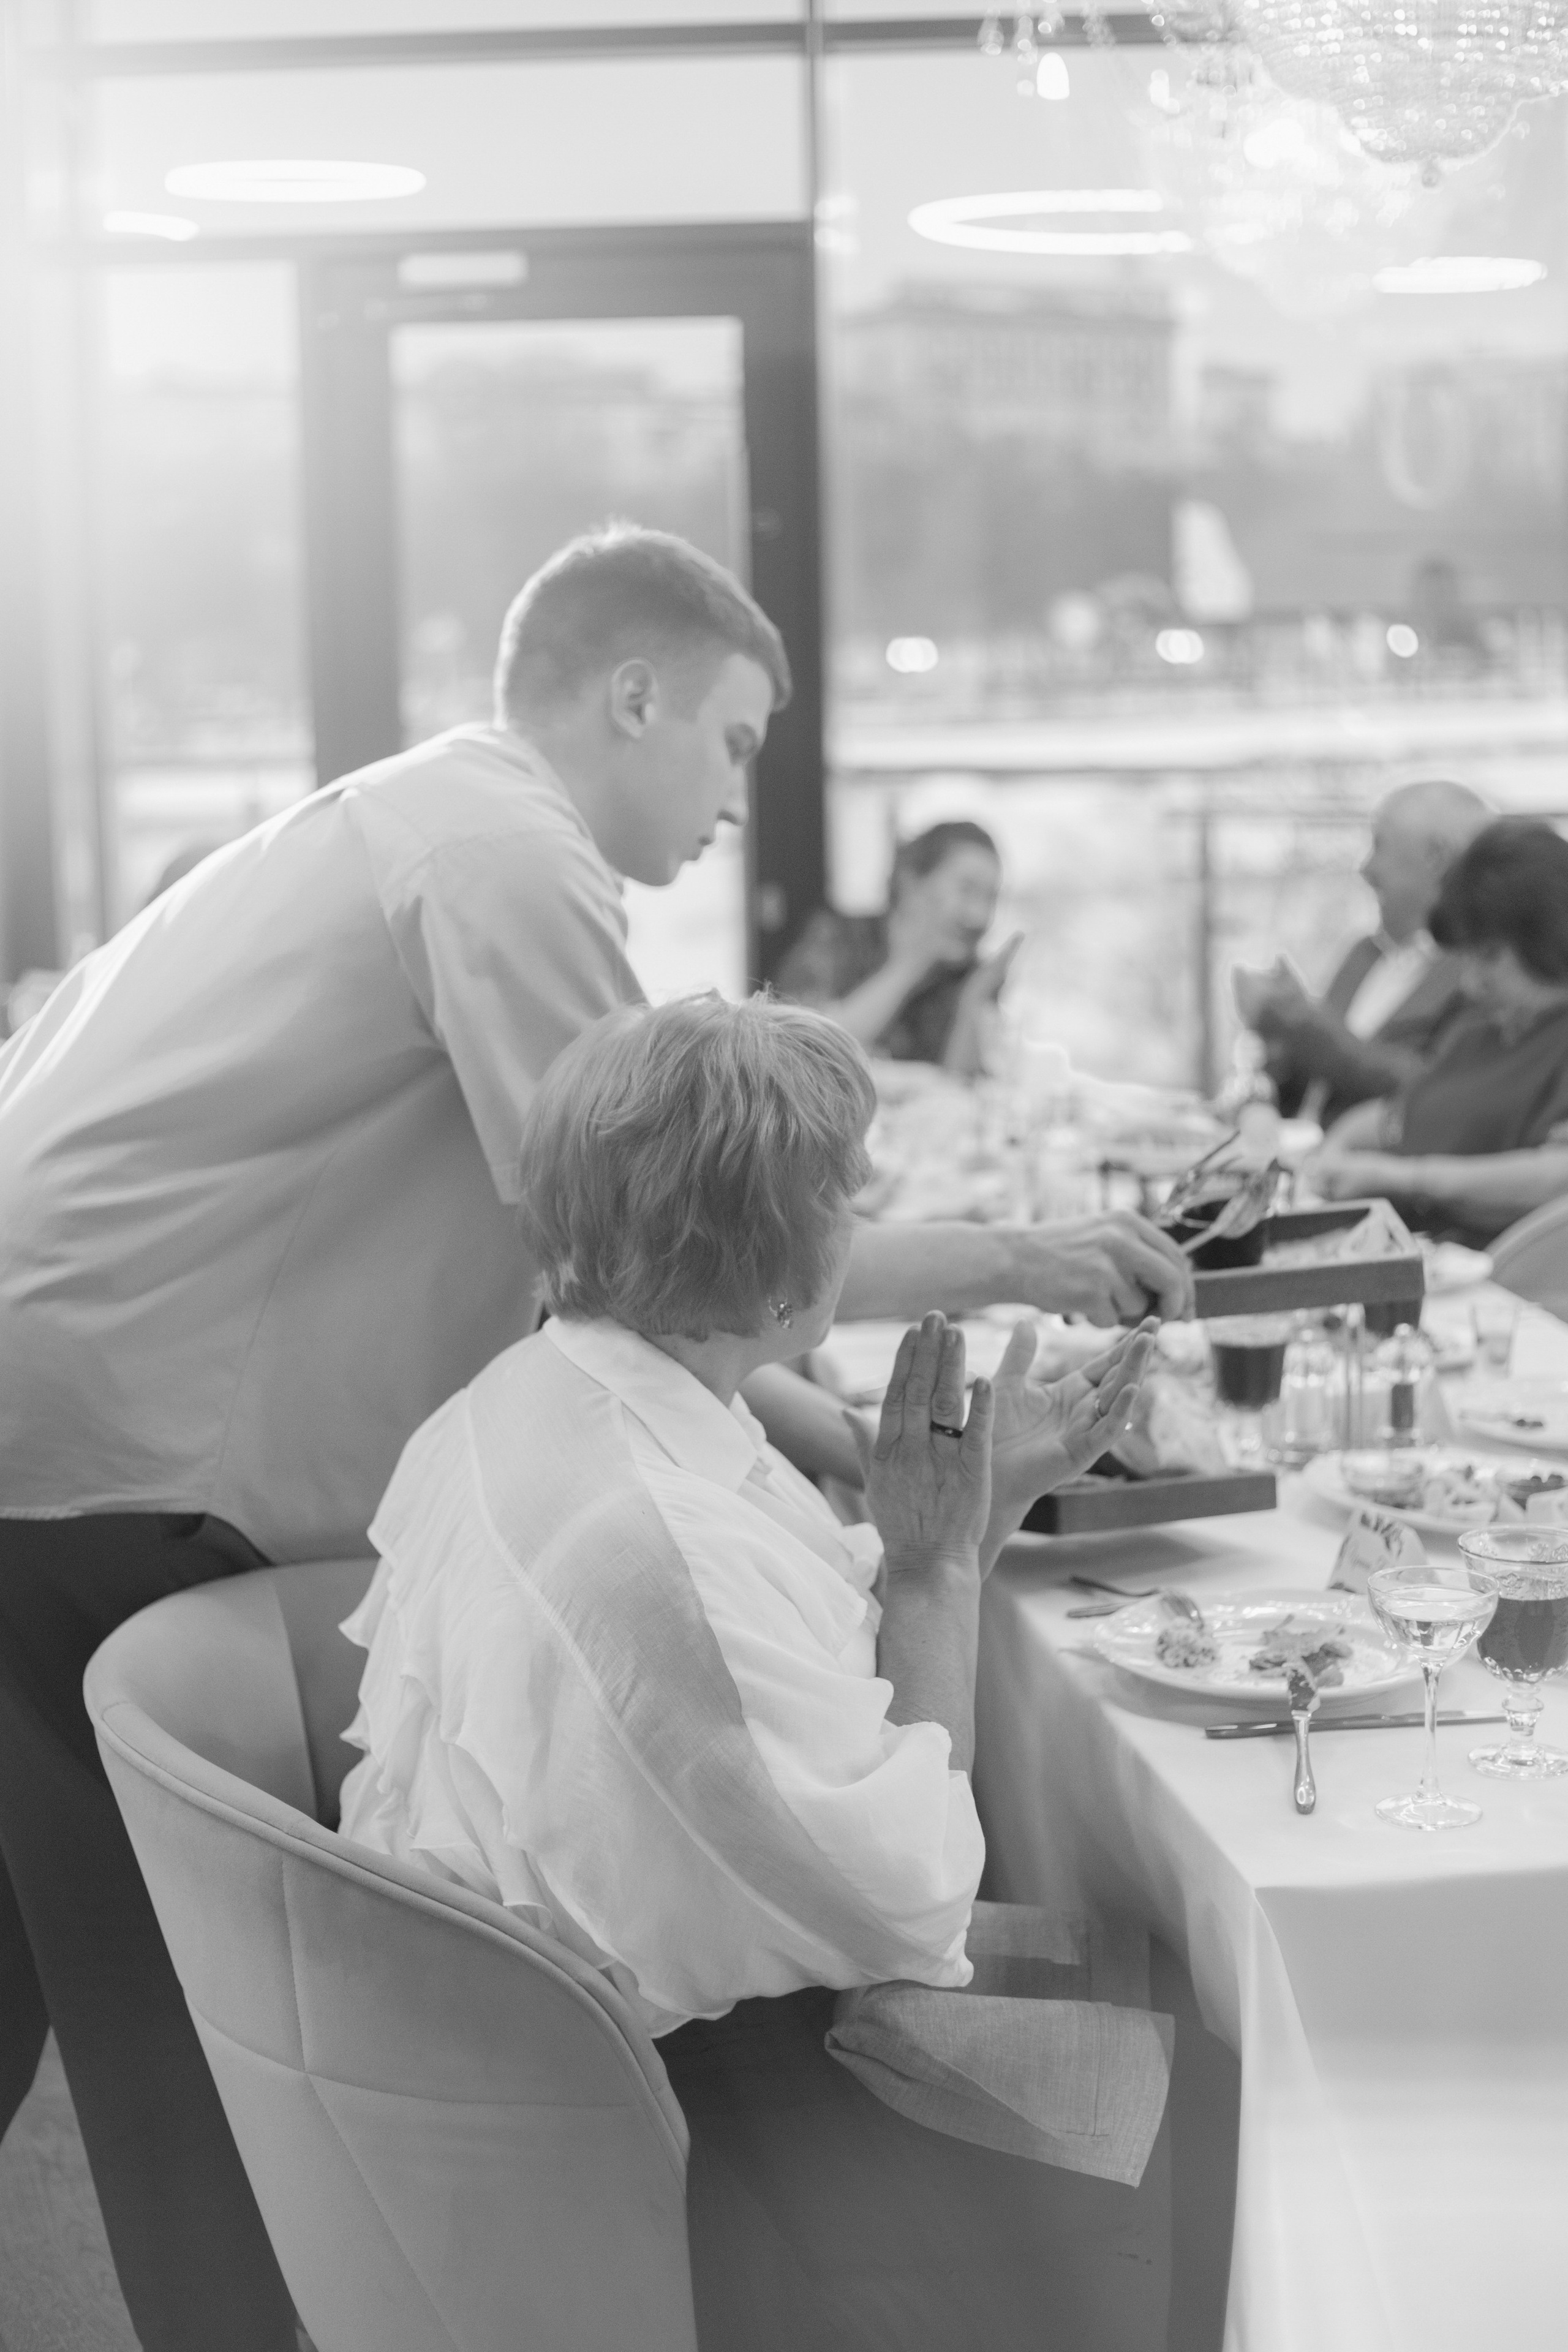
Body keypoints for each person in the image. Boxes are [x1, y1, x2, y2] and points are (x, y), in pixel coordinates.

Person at [0, 525, 1189, 2352]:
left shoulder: (407, 814)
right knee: (174, 2041)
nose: (736, 795)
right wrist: (1005, 1294)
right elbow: (681, 1220)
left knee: (106, 1993)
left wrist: (861, 1452)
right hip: (108, 1455)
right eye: (733, 739)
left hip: (72, 1425)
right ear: (632, 695)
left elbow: (656, 1280)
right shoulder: (501, 849)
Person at [339, 992, 1167, 2349]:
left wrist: (983, 1503)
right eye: (843, 1192)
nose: (860, 1208)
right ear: (772, 1265)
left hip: (535, 2015)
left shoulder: (555, 1390)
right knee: (1213, 2074)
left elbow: (806, 1661)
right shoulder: (653, 1547)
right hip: (671, 2112)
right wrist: (933, 1569)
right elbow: (911, 1904)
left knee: (1147, 1968)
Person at [1311, 820, 1568, 1249]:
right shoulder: (1481, 1029)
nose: (1472, 982)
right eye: (1467, 958)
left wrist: (1407, 1177)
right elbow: (1395, 1117)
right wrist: (1334, 1153)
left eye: (1490, 957)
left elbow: (1558, 1175)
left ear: (1551, 937)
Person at [1232, 778, 1491, 1125]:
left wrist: (1303, 1026)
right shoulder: (1363, 955)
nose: (1366, 869)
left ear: (1436, 857)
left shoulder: (1480, 973)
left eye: (1379, 845)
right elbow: (1313, 1083)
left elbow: (1434, 1091)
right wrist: (1278, 1039)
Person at [775, 818, 1021, 1076]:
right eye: (967, 890)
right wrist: (911, 965)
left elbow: (959, 1088)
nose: (980, 916)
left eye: (992, 898)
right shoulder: (838, 937)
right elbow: (805, 1056)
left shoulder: (973, 976)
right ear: (911, 881)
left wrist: (975, 999)